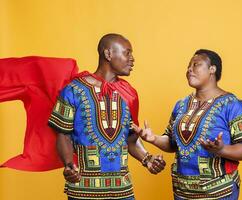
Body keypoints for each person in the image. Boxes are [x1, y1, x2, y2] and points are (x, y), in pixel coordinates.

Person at [48, 33, 166, 200]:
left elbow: (131, 139)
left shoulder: (129, 94)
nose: (132, 59)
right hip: (84, 190)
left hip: (122, 190)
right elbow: (63, 134)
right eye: (127, 53)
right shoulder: (73, 90)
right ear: (108, 54)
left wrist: (147, 159)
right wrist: (69, 165)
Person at [132, 49, 242, 200]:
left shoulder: (233, 105)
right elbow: (172, 144)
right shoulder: (181, 105)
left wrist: (222, 149)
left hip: (219, 192)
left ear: (212, 69)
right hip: (182, 192)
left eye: (196, 65)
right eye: (188, 66)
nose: (189, 70)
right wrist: (153, 139)